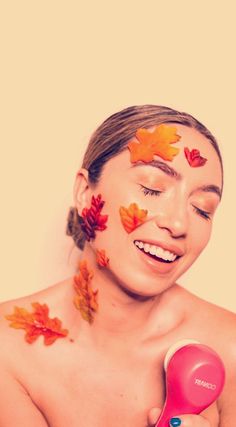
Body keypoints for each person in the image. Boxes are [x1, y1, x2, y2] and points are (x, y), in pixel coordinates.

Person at [0, 104, 235, 427]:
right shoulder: (8, 348)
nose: (179, 223)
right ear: (85, 192)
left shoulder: (230, 348)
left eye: (203, 209)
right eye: (152, 188)